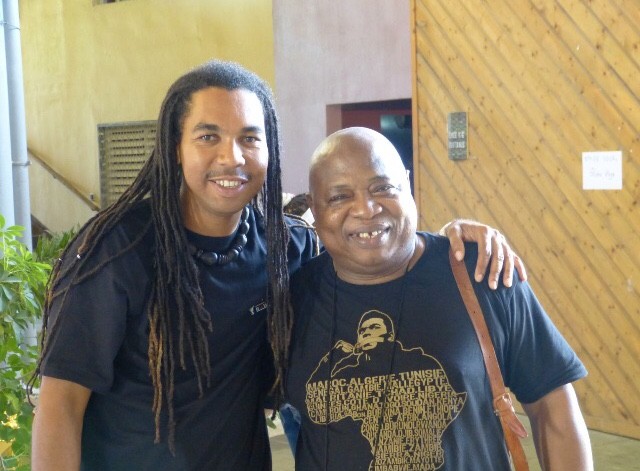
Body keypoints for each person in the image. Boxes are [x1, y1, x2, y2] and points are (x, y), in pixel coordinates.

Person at [30, 60, 523, 471]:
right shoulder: (118, 252)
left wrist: (450, 240)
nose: (232, 157)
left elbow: (372, 247)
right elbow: (60, 406)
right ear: (175, 147)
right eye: (208, 136)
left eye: (250, 138)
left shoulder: (287, 249)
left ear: (270, 150)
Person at [286, 127, 593, 470]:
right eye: (339, 197)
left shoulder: (481, 273)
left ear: (407, 184)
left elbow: (552, 407)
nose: (366, 209)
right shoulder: (290, 302)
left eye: (382, 188)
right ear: (315, 208)